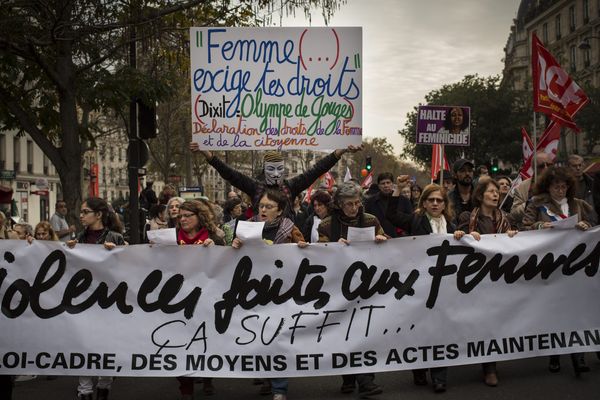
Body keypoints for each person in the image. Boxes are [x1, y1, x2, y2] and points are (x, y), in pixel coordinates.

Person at [386, 179, 466, 393]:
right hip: (419, 284)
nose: (435, 203)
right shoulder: (416, 219)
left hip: (444, 286)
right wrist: (396, 190)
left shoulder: (451, 224)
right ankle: (419, 369)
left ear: (444, 203)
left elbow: (461, 246)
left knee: (440, 330)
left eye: (439, 200)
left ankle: (439, 376)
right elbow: (391, 216)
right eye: (430, 200)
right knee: (419, 329)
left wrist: (460, 235)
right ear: (424, 202)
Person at [232, 190, 307, 400]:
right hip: (252, 292)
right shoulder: (247, 228)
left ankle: (279, 388)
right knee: (257, 337)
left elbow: (306, 251)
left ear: (280, 210)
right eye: (261, 206)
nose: (263, 210)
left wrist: (302, 247)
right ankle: (267, 377)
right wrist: (236, 245)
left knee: (277, 338)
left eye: (269, 207)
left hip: (280, 293)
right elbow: (232, 253)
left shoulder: (290, 229)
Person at [520, 166, 595, 376]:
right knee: (554, 310)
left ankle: (578, 357)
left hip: (575, 264)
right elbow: (525, 227)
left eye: (564, 187)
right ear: (548, 187)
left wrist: (585, 224)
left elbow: (594, 225)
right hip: (548, 264)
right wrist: (540, 226)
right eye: (556, 187)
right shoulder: (537, 203)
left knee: (575, 311)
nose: (560, 191)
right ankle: (554, 355)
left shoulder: (578, 204)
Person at [317, 181, 385, 397]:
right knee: (343, 333)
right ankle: (348, 378)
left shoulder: (371, 221)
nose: (354, 208)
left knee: (363, 333)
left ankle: (366, 381)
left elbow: (388, 245)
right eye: (349, 204)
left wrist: (383, 240)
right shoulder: (326, 225)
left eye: (357, 203)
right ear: (338, 204)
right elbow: (319, 251)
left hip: (366, 286)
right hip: (338, 287)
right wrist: (332, 247)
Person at [190, 143, 361, 220]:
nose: (276, 173)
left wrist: (338, 153)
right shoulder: (255, 187)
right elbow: (230, 174)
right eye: (272, 169)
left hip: (287, 239)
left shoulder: (290, 186)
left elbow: (316, 170)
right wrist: (209, 155)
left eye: (280, 169)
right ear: (265, 170)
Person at [457, 177, 518, 387]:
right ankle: (489, 367)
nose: (495, 195)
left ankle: (490, 363)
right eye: (491, 191)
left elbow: (517, 245)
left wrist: (512, 236)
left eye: (497, 192)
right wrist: (465, 234)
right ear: (480, 195)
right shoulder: (467, 217)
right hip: (476, 279)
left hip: (500, 278)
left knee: (494, 321)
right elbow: (458, 240)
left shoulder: (505, 219)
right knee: (483, 322)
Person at [66, 197, 125, 400]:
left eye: (85, 212)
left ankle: (103, 387)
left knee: (106, 345)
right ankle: (85, 391)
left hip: (108, 301)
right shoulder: (78, 239)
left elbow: (130, 268)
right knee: (83, 345)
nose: (81, 216)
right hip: (83, 301)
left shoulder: (116, 238)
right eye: (81, 212)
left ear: (98, 215)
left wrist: (118, 253)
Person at [173, 200, 223, 399]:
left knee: (205, 341)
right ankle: (186, 389)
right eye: (180, 216)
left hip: (206, 301)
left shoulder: (214, 238)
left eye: (187, 215)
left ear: (199, 217)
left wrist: (218, 250)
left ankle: (207, 377)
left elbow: (226, 267)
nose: (183, 219)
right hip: (178, 301)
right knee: (179, 345)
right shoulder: (172, 239)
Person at [510, 151, 554, 224]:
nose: (546, 168)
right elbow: (514, 214)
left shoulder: (562, 183)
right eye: (541, 166)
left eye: (549, 165)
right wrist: (532, 201)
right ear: (534, 168)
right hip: (534, 230)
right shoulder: (522, 187)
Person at [364, 172, 412, 238]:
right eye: (383, 183)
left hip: (399, 240)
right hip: (378, 240)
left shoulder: (404, 201)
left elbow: (409, 220)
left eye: (388, 183)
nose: (386, 185)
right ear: (379, 185)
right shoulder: (371, 201)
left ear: (392, 184)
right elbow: (367, 221)